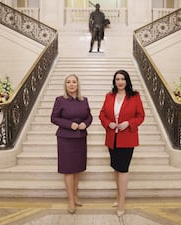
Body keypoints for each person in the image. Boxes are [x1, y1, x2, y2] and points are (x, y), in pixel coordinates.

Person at [99, 70, 145, 216]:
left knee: (123, 169)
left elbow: (141, 116)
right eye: (117, 79)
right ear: (114, 81)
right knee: (116, 168)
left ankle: (122, 202)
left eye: (122, 79)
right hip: (112, 139)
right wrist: (108, 124)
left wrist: (129, 123)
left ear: (127, 81)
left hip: (127, 139)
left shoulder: (135, 96)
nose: (120, 81)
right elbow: (102, 114)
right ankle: (118, 196)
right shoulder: (109, 96)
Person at [51, 74, 93, 214]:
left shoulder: (84, 100)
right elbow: (54, 118)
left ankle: (75, 197)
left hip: (80, 137)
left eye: (74, 82)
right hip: (65, 139)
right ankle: (70, 200)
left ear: (77, 84)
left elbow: (89, 117)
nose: (71, 84)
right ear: (65, 85)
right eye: (68, 82)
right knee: (68, 170)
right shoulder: (60, 100)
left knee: (77, 169)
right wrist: (70, 124)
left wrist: (84, 124)